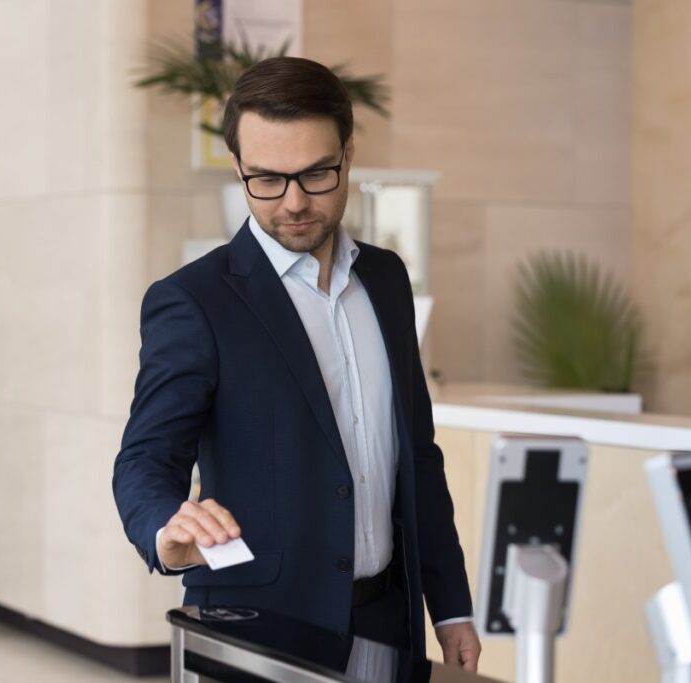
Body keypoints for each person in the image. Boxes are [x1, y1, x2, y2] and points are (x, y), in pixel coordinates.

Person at [112, 56, 481, 670]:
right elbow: (147, 457)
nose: (294, 202)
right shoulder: (193, 301)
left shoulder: (386, 280)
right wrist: (167, 532)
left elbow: (416, 456)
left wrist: (449, 607)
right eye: (266, 179)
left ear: (348, 154)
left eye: (316, 175)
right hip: (258, 628)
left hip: (387, 625)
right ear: (238, 167)